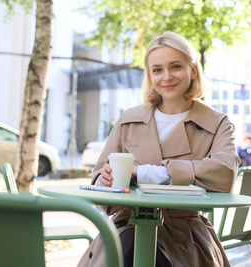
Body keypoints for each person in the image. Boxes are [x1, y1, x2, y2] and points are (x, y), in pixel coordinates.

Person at [78, 31, 239, 267]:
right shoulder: (128, 120)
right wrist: (107, 180)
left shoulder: (217, 123)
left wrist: (142, 173)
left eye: (176, 66)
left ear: (193, 69)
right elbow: (98, 188)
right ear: (149, 75)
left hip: (186, 236)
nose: (166, 77)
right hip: (127, 228)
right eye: (157, 70)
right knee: (130, 246)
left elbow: (224, 174)